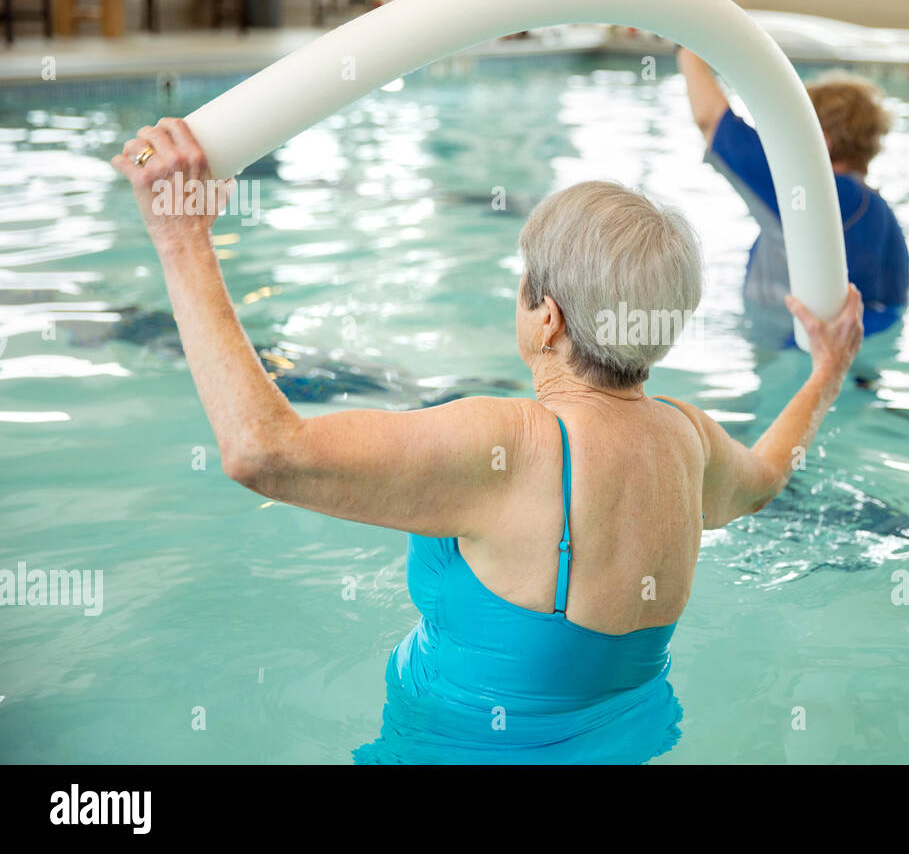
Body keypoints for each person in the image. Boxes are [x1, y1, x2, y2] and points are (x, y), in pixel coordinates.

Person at [111, 119, 865, 764]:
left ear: (548, 319)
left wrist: (181, 239)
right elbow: (767, 476)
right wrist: (827, 372)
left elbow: (261, 451)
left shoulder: (514, 447)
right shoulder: (689, 441)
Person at [677, 48, 909, 344]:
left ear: (821, 141)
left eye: (794, 131)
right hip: (852, 361)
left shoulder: (816, 193)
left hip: (793, 356)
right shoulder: (879, 213)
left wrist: (685, 45)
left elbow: (712, 120)